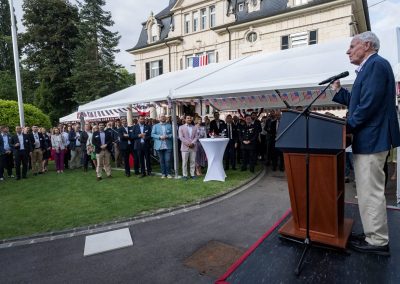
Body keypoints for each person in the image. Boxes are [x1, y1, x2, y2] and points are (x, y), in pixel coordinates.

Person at [332, 31, 400, 255]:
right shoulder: (371, 67)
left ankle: (378, 241)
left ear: (368, 45)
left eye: (352, 45)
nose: (348, 51)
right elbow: (359, 101)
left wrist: (346, 126)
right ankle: (373, 233)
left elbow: (368, 105)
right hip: (370, 138)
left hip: (373, 138)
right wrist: (340, 92)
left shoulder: (376, 65)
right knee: (367, 189)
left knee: (370, 191)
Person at [178, 115, 199, 180]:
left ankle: (192, 174)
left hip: (193, 147)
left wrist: (192, 143)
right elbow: (181, 137)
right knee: (184, 162)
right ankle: (185, 175)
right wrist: (188, 143)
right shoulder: (181, 127)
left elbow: (196, 137)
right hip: (185, 147)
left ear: (191, 119)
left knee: (192, 161)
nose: (189, 119)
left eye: (190, 118)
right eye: (188, 118)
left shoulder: (195, 127)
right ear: (185, 119)